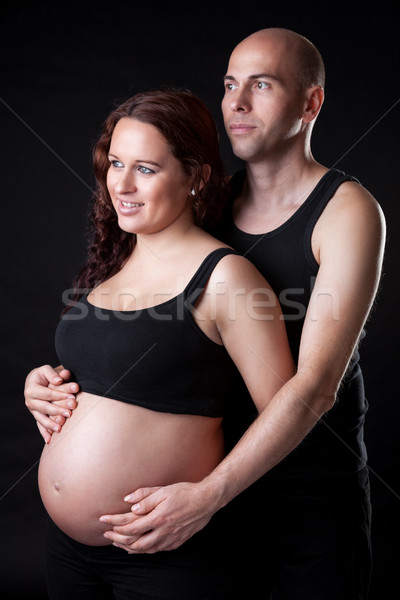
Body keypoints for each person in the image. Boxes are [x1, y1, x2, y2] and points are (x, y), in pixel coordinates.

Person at [25, 28, 386, 599]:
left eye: (261, 85)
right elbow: (152, 337)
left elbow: (315, 387)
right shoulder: (210, 204)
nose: (237, 103)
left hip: (302, 486)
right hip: (216, 480)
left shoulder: (346, 210)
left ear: (311, 102)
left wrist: (211, 492)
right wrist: (54, 384)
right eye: (229, 85)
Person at [27, 88, 294, 600]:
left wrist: (207, 499)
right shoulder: (113, 262)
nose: (121, 185)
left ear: (195, 177)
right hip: (67, 552)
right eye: (116, 163)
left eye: (146, 169)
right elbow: (107, 375)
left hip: (167, 556)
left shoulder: (225, 278)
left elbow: (285, 412)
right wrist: (41, 384)